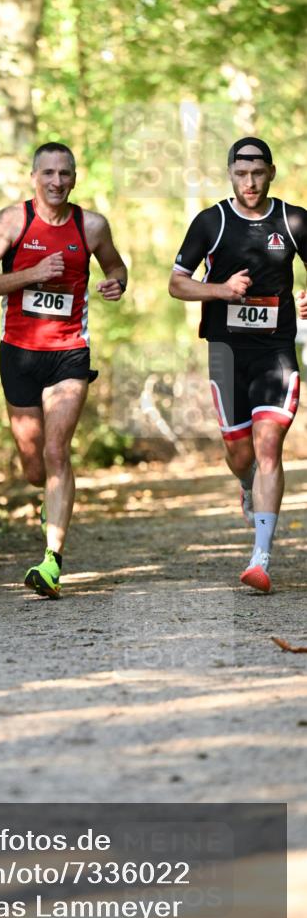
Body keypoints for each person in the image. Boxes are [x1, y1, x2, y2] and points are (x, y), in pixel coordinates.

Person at [0, 142, 127, 598]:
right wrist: (31, 274)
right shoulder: (12, 221)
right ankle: (47, 500)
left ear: (74, 178)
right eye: (48, 173)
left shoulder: (91, 225)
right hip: (18, 352)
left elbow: (115, 264)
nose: (57, 182)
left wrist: (117, 282)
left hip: (69, 353)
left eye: (65, 174)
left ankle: (52, 559)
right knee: (35, 465)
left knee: (58, 452)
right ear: (33, 177)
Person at [169, 137, 307, 593]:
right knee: (240, 453)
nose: (250, 182)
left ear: (271, 172)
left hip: (276, 351)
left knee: (269, 447)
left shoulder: (293, 220)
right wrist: (221, 290)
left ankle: (260, 558)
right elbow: (177, 284)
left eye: (258, 172)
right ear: (230, 173)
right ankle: (247, 487)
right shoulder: (212, 222)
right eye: (242, 173)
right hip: (226, 353)